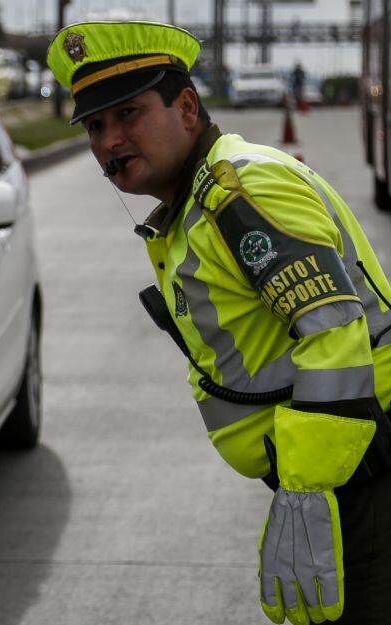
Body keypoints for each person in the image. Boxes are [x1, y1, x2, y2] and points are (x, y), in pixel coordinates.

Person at [46, 21, 391, 625]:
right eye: (96, 125)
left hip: (363, 472)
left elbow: (333, 331)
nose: (109, 140)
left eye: (128, 113)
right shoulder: (199, 202)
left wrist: (307, 490)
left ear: (185, 107)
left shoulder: (240, 191)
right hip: (346, 467)